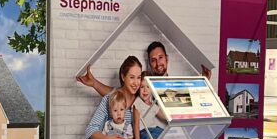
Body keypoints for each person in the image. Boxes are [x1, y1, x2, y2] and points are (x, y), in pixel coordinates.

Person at [73, 56, 144, 139]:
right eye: (132, 77)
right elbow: (91, 130)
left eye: (139, 78)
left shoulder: (140, 102)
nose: (136, 83)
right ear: (123, 77)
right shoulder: (109, 99)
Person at [76, 41, 211, 97]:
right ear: (150, 63)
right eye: (153, 60)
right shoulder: (143, 84)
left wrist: (204, 80)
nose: (158, 63)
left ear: (167, 59)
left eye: (160, 58)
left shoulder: (175, 84)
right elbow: (116, 94)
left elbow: (190, 97)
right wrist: (94, 83)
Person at [133, 73, 167, 139]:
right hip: (144, 131)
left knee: (165, 137)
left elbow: (164, 116)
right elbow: (136, 123)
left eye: (148, 87)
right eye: (142, 87)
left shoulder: (153, 104)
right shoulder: (138, 102)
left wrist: (174, 116)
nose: (145, 90)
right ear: (138, 89)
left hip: (155, 129)